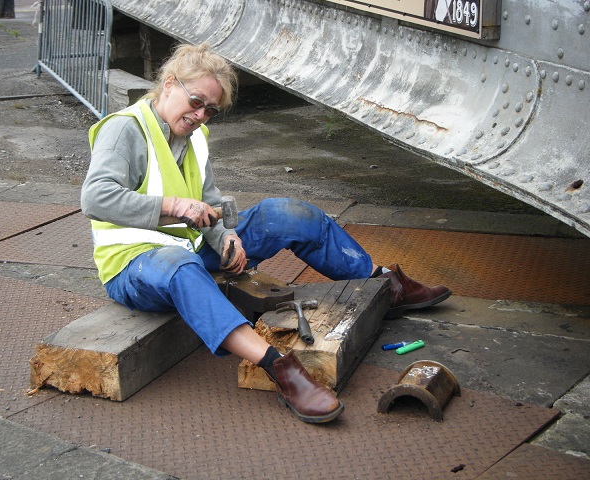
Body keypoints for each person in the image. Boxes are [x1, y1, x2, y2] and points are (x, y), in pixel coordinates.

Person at [81, 42, 451, 424]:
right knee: (180, 267)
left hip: (188, 249)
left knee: (284, 214)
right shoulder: (126, 129)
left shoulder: (195, 137)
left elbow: (209, 202)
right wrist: (174, 206)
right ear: (169, 83)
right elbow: (95, 198)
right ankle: (282, 370)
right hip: (134, 268)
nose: (201, 115)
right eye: (196, 102)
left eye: (211, 110)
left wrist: (225, 236)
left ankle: (383, 284)